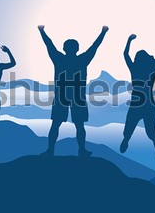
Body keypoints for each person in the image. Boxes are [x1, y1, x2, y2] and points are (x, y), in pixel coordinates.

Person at [38, 25, 109, 157]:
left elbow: (49, 45)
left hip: (62, 95)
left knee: (57, 124)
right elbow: (95, 46)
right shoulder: (82, 60)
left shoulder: (59, 58)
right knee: (78, 125)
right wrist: (103, 32)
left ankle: (51, 150)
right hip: (76, 96)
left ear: (64, 48)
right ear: (77, 49)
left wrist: (42, 31)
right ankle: (80, 150)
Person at [120, 32, 155, 160]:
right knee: (150, 132)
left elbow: (125, 55)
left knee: (129, 129)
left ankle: (126, 140)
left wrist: (129, 40)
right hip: (148, 104)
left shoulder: (135, 68)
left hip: (136, 104)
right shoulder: (153, 68)